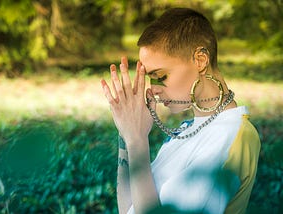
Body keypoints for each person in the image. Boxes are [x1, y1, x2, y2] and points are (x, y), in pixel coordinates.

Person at [101, 7, 260, 214]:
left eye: (161, 75)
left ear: (200, 60)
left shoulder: (230, 137)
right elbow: (128, 209)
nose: (153, 88)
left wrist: (137, 141)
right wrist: (128, 134)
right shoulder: (190, 129)